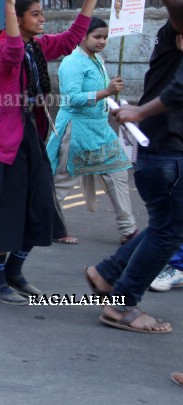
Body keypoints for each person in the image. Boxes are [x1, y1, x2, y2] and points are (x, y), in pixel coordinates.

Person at [0, 0, 102, 305]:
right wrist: (7, 2)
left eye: (42, 13)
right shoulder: (4, 48)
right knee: (5, 212)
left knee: (40, 207)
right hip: (2, 141)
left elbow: (73, 36)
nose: (43, 18)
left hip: (29, 135)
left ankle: (14, 272)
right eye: (36, 14)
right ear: (17, 19)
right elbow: (14, 52)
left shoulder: (37, 46)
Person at [86, 0, 183, 333]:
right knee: (169, 231)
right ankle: (121, 303)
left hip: (163, 150)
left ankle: (108, 274)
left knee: (165, 226)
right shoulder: (178, 25)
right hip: (168, 151)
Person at [47, 17, 135, 244]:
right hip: (76, 130)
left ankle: (129, 230)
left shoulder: (97, 60)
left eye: (105, 37)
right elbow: (72, 98)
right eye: (97, 37)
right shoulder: (72, 62)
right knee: (63, 181)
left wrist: (112, 104)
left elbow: (100, 95)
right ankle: (48, 226)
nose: (102, 41)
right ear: (83, 37)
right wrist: (106, 91)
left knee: (118, 174)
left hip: (101, 130)